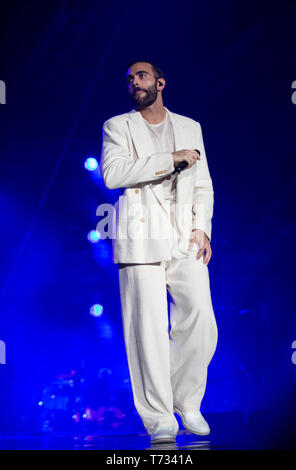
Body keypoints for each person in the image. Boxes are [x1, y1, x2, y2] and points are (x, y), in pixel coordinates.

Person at [100, 60, 218, 444]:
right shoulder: (118, 126)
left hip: (184, 234)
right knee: (147, 329)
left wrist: (202, 228)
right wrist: (170, 160)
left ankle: (187, 400)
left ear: (161, 82)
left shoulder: (190, 127)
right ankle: (157, 414)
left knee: (200, 317)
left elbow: (203, 184)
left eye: (142, 76)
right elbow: (113, 173)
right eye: (130, 78)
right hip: (140, 234)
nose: (135, 82)